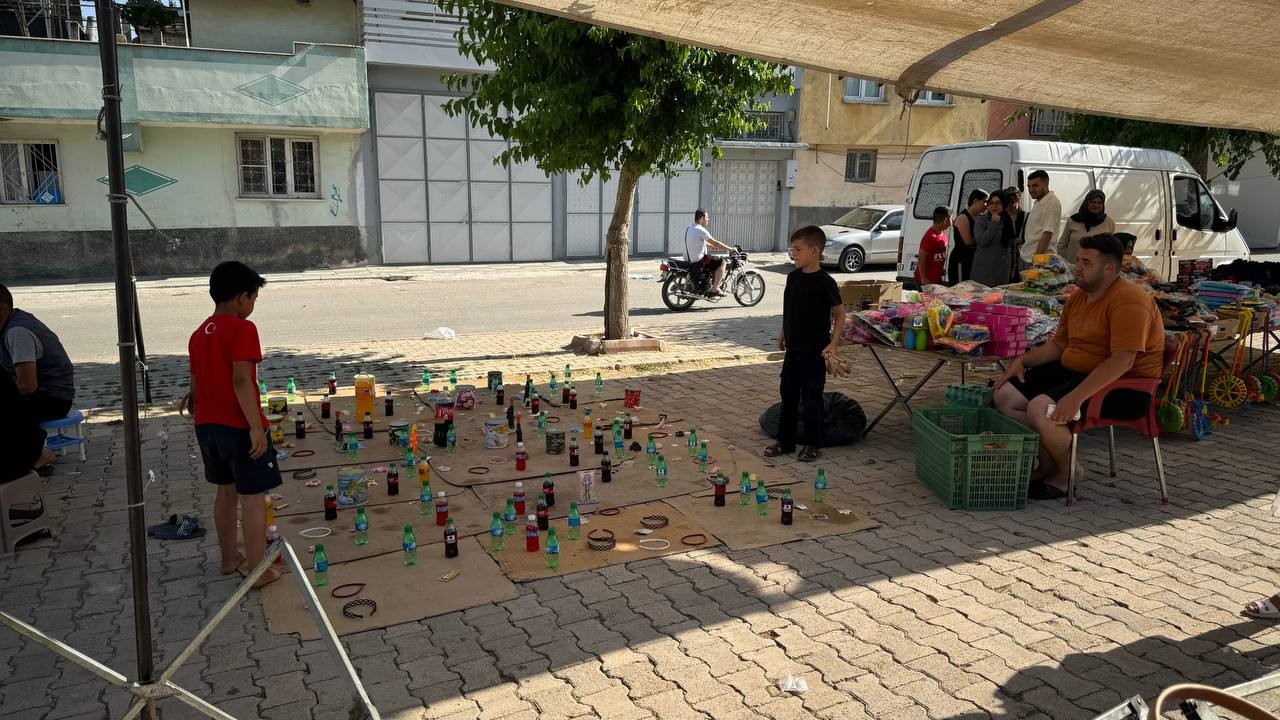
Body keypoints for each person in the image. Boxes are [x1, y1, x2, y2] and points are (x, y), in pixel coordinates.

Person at [993, 234, 1163, 500]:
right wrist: (1021, 361)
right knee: (1005, 395)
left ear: (1109, 269)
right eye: (1078, 260)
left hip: (1125, 385)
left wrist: (1075, 398)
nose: (1078, 268)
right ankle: (1049, 461)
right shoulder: (1078, 297)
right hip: (1078, 369)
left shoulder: (1130, 300)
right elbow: (1059, 345)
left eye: (1086, 262)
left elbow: (1123, 360)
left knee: (1041, 409)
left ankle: (1067, 474)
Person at [188, 261, 282, 587]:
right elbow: (242, 380)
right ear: (243, 297)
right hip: (237, 426)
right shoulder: (243, 329)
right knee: (252, 497)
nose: (253, 306)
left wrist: (195, 402)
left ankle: (229, 558)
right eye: (254, 298)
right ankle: (259, 571)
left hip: (207, 426)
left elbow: (195, 383)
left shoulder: (199, 333)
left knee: (224, 491)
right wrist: (255, 426)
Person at [765, 226, 846, 463]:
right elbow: (788, 309)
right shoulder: (792, 277)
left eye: (798, 250)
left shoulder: (825, 282)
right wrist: (783, 331)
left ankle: (813, 444)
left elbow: (840, 314)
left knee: (812, 397)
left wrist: (833, 345)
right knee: (788, 393)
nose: (794, 254)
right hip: (793, 349)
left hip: (815, 351)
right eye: (792, 250)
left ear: (814, 251)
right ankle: (785, 441)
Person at [0, 283, 76, 424]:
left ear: (2, 309)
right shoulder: (12, 322)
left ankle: (36, 446)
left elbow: (27, 386)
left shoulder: (17, 332)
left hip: (52, 400)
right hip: (46, 396)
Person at [685, 209, 734, 296]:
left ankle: (709, 283)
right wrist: (730, 249)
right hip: (700, 260)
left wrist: (711, 246)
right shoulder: (700, 229)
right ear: (701, 219)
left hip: (691, 259)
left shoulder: (690, 227)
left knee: (712, 259)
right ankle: (715, 288)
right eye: (707, 217)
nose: (708, 219)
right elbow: (716, 243)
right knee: (722, 261)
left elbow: (699, 242)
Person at [1059, 189, 1116, 261]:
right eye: (1093, 202)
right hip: (1072, 267)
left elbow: (1112, 249)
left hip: (1097, 269)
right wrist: (1064, 262)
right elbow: (1062, 244)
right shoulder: (1073, 220)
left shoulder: (1109, 223)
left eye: (1099, 203)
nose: (1096, 205)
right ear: (1086, 202)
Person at [1021, 170, 1063, 267]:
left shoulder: (1051, 203)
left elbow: (1047, 235)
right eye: (1029, 186)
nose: (1031, 189)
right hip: (1028, 257)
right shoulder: (1040, 201)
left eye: (1035, 185)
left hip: (1037, 261)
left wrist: (1036, 263)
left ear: (1046, 184)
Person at [972, 190, 1013, 288]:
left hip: (1002, 268)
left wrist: (1012, 265)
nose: (994, 206)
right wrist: (993, 224)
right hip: (984, 267)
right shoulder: (982, 220)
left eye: (998, 203)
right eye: (991, 203)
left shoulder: (1007, 220)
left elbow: (1011, 244)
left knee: (998, 298)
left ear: (1004, 204)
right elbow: (982, 241)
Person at [947, 189, 987, 285]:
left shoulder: (980, 217)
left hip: (973, 261)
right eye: (985, 201)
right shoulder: (963, 217)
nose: (987, 205)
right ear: (975, 201)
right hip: (961, 261)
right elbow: (968, 241)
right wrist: (983, 237)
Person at [915, 206, 951, 286]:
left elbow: (938, 256)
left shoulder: (942, 234)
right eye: (950, 218)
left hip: (937, 279)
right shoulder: (930, 236)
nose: (952, 221)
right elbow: (921, 258)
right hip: (927, 281)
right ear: (945, 220)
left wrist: (940, 269)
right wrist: (923, 278)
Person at [1004, 186, 1027, 282]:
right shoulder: (1002, 216)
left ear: (1018, 199)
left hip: (1020, 256)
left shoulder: (1026, 216)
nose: (1009, 203)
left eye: (1012, 199)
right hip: (1005, 256)